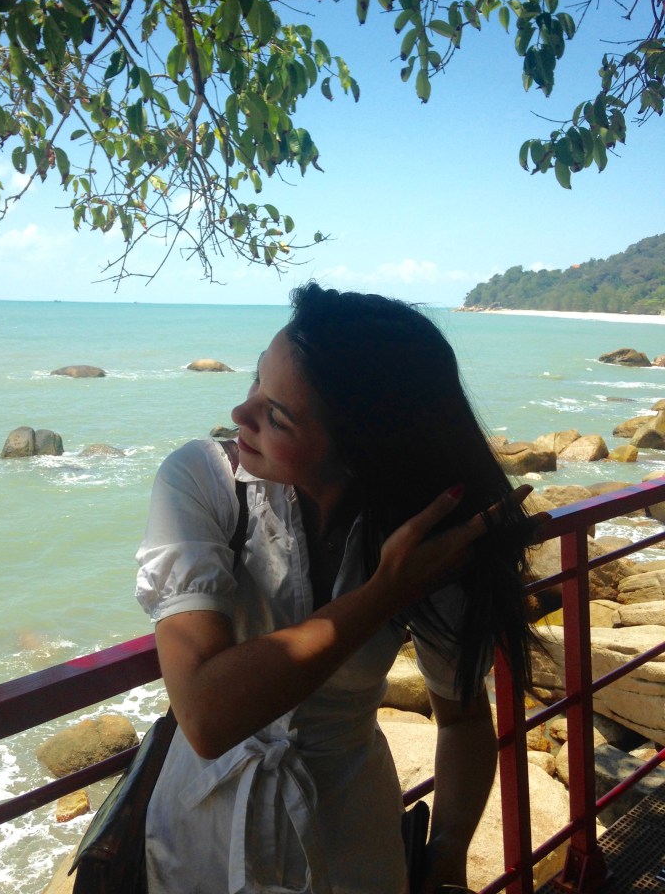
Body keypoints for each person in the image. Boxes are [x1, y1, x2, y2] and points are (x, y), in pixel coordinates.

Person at [135, 284, 540, 894]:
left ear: (360, 453)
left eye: (278, 415)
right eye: (256, 381)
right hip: (202, 837)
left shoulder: (423, 532)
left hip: (351, 838)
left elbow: (460, 719)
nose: (240, 414)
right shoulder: (203, 480)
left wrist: (447, 857)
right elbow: (205, 716)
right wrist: (385, 592)